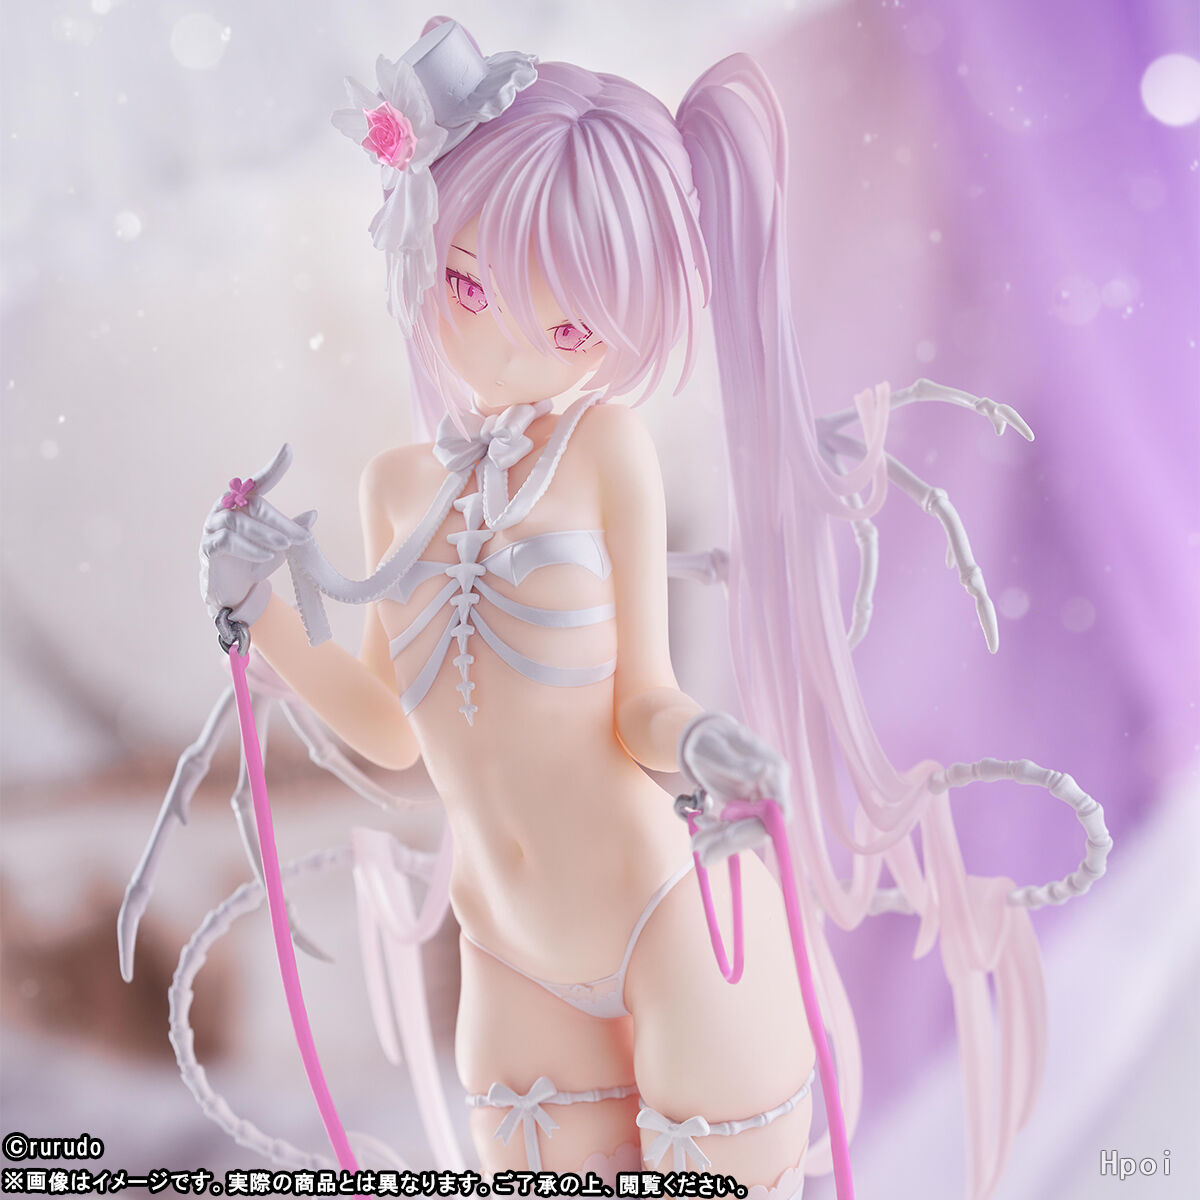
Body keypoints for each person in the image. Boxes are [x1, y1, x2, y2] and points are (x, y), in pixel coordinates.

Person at [189, 17, 1109, 1197]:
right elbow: (391, 731)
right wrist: (259, 612)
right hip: (505, 948)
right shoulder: (397, 488)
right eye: (470, 285)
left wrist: (708, 744)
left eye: (568, 325)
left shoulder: (602, 449)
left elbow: (643, 702)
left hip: (668, 918)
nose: (508, 345)